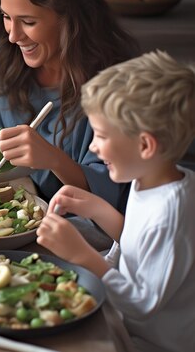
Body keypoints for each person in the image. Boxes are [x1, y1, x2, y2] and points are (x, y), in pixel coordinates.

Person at [36, 51, 195, 352]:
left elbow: (143, 303)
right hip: (123, 319)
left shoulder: (170, 214)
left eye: (101, 135)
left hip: (149, 341)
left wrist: (83, 255)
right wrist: (97, 208)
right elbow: (137, 245)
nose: (93, 146)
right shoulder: (150, 177)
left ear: (145, 145)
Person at [0, 0, 139, 212]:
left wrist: (54, 160)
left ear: (70, 18)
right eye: (6, 16)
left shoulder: (118, 83)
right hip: (3, 211)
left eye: (28, 22)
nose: (13, 36)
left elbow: (113, 200)